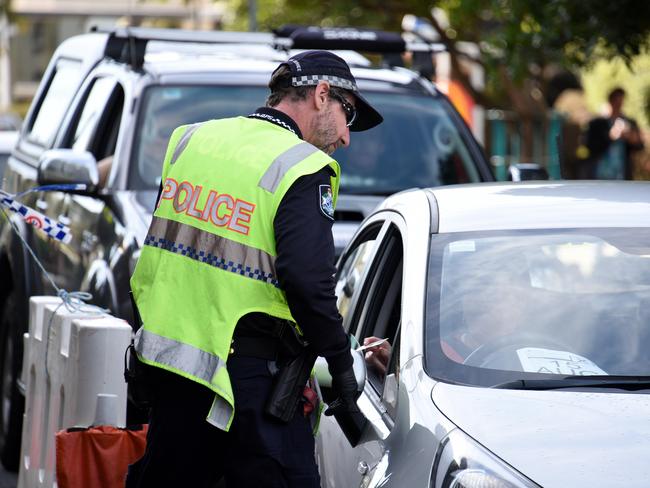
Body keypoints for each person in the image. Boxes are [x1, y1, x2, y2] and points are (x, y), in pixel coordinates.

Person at [125, 50, 383, 488]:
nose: (346, 137)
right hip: (249, 382)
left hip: (173, 372)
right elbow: (306, 282)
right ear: (322, 95)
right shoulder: (304, 166)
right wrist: (341, 363)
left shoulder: (192, 140)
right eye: (348, 114)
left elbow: (162, 252)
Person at [585, 87, 644, 180]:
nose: (618, 105)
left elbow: (640, 146)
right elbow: (590, 146)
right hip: (599, 174)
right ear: (610, 101)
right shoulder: (597, 124)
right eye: (616, 101)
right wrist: (610, 136)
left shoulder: (629, 123)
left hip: (622, 174)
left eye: (620, 101)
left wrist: (632, 138)